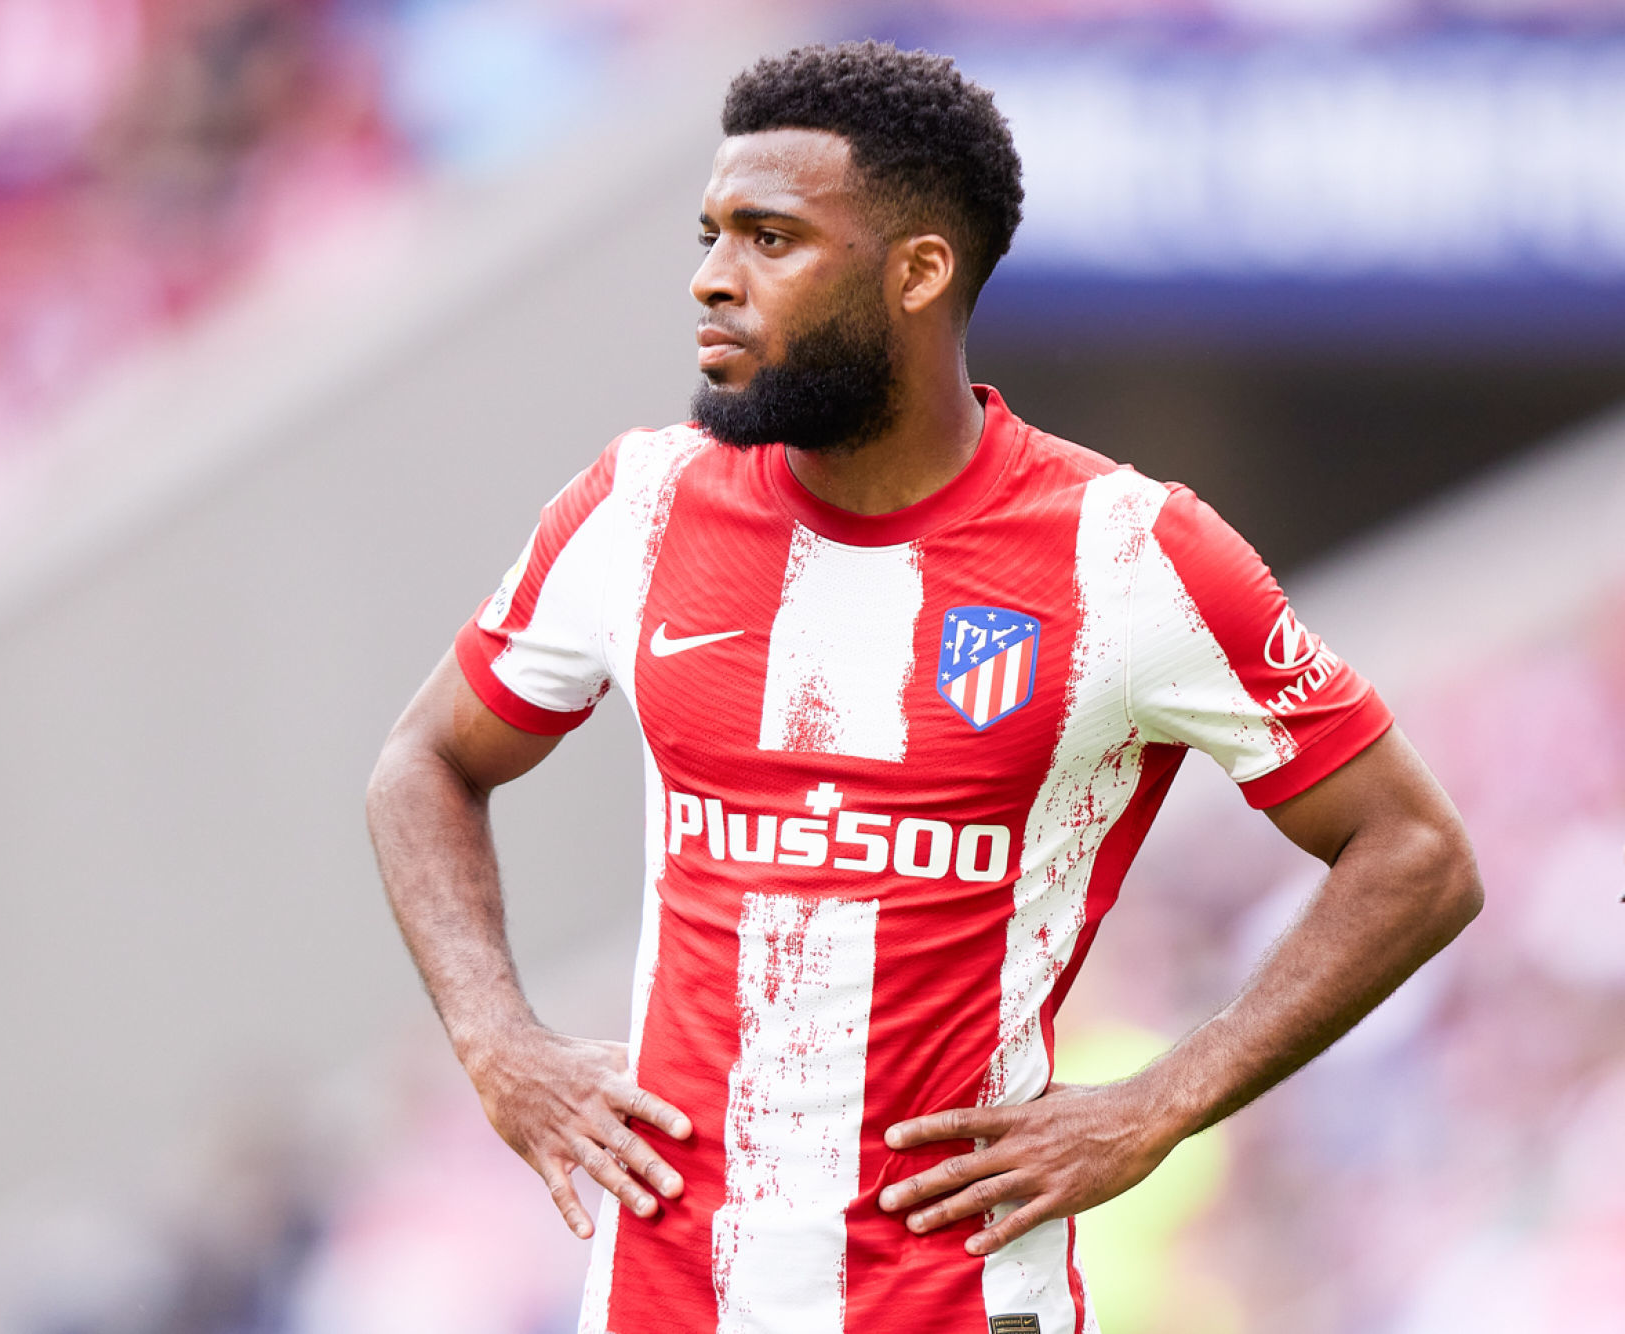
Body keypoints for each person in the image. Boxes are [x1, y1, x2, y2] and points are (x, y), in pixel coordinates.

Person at [364, 40, 1481, 1334]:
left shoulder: (1128, 554)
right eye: (712, 234)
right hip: (663, 1301)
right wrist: (498, 1042)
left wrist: (1161, 1102)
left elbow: (1416, 854)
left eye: (771, 239)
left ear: (918, 272)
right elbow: (423, 762)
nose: (712, 277)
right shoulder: (639, 505)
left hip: (957, 1302)